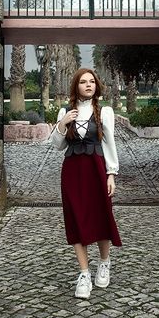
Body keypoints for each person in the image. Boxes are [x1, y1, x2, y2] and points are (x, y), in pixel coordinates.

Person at [50, 68, 122, 299]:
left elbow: (109, 144)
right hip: (72, 172)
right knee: (76, 219)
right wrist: (63, 124)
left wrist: (111, 174)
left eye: (92, 81)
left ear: (96, 86)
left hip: (96, 169)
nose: (88, 85)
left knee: (101, 216)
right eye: (83, 82)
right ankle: (83, 273)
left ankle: (104, 262)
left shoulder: (104, 112)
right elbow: (58, 145)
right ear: (76, 86)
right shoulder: (65, 111)